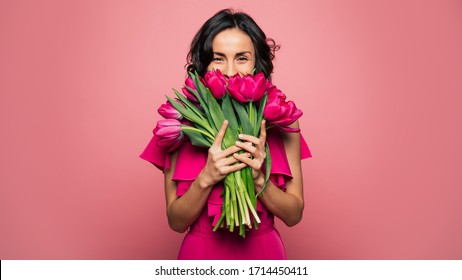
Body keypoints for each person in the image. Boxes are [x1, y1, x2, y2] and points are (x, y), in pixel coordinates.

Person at [140, 9, 311, 259]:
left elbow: (294, 215)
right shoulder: (179, 127)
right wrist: (206, 177)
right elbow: (176, 222)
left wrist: (258, 178)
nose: (230, 72)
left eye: (242, 58)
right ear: (203, 63)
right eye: (218, 58)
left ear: (257, 64)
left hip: (264, 257)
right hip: (201, 257)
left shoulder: (282, 121)